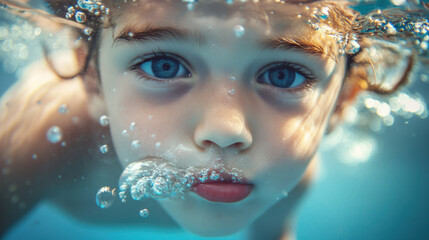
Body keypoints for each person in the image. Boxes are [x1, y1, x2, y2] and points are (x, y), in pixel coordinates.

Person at [0, 0, 420, 238]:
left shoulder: (291, 184)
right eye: (163, 66)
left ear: (341, 101)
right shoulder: (41, 145)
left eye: (282, 75)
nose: (225, 130)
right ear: (92, 80)